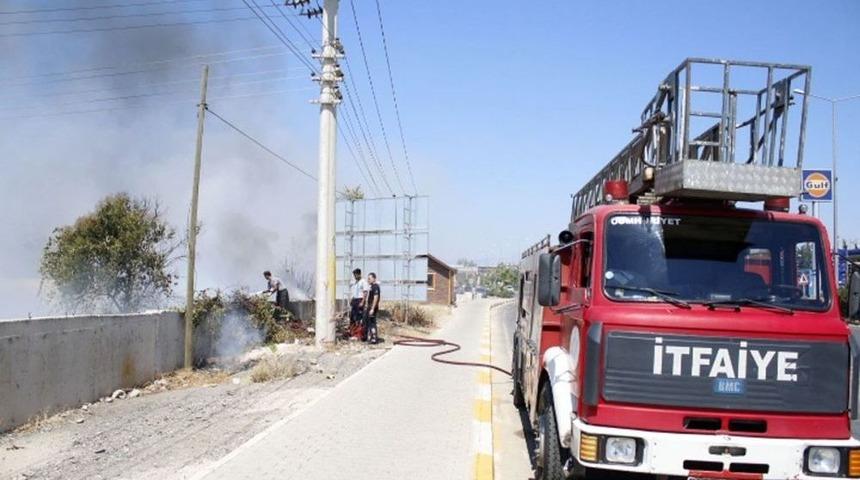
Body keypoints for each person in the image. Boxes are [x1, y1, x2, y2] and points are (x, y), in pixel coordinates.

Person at [364, 273, 381, 344]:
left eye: (369, 278)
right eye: (368, 278)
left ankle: (374, 338)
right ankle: (370, 337)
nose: (368, 280)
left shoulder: (375, 287)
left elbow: (376, 298)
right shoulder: (371, 286)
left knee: (372, 323)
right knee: (369, 322)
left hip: (372, 307)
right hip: (369, 306)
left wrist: (372, 309)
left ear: (374, 278)